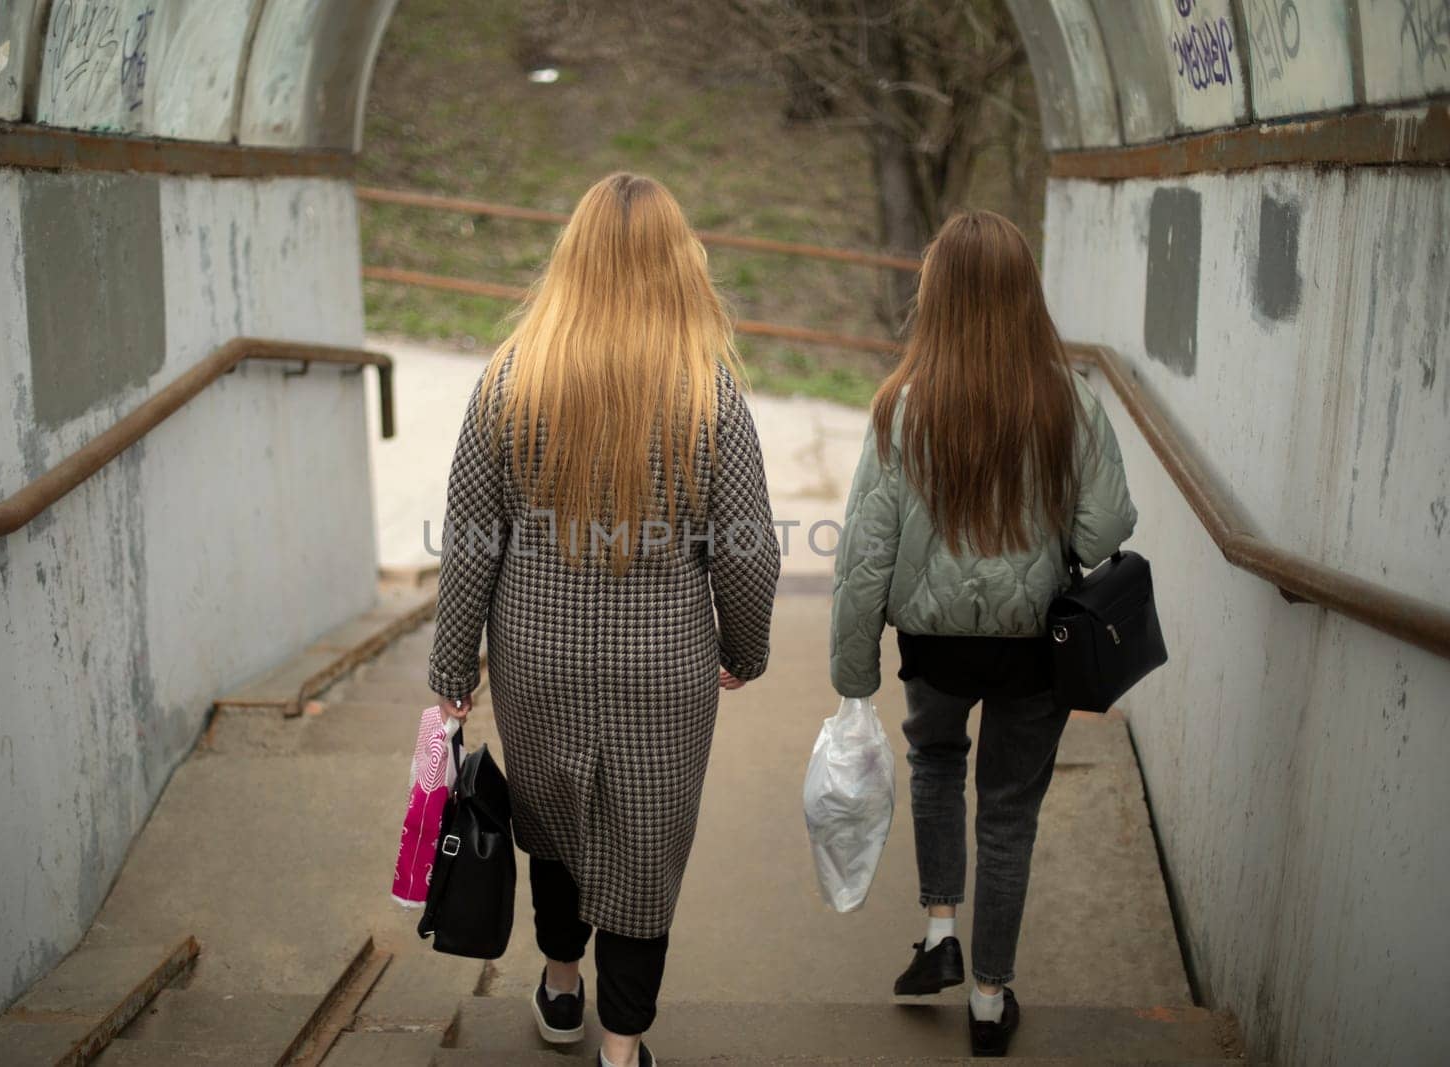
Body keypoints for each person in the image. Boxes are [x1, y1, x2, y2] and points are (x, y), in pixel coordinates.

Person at [428, 172, 781, 1067]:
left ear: (570, 259)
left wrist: (452, 672)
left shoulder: (512, 379)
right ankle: (622, 1051)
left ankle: (557, 984)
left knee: (549, 819)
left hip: (537, 658)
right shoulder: (712, 396)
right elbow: (746, 550)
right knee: (643, 844)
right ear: (680, 263)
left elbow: (471, 538)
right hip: (663, 668)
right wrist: (744, 646)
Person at [829, 210, 1137, 1057]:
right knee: (1008, 812)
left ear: (941, 297)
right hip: (1035, 644)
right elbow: (1105, 527)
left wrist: (853, 674)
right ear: (1021, 295)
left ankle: (938, 930)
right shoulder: (1065, 398)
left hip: (934, 645)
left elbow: (864, 554)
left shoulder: (903, 406)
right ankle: (991, 997)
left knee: (935, 759)